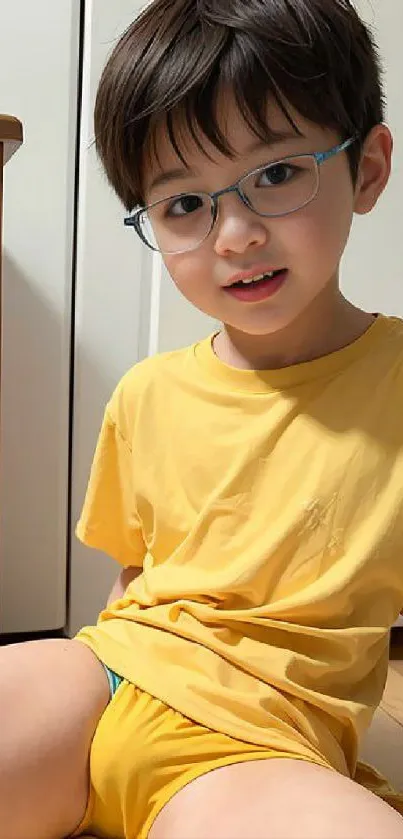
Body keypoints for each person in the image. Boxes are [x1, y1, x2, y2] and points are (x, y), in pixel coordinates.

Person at [2, 0, 403, 837]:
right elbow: (136, 576)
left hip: (262, 743)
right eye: (184, 205)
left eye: (278, 173)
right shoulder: (146, 392)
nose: (235, 234)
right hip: (105, 678)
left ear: (366, 170)